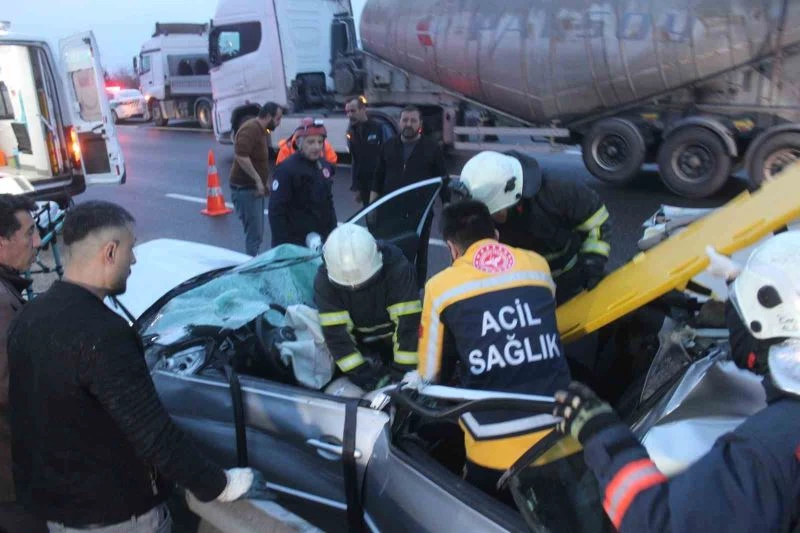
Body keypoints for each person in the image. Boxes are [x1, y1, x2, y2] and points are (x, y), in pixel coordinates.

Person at [7, 201, 268, 532]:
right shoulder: (103, 334)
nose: (134, 260)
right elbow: (153, 434)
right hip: (117, 516)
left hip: (58, 513)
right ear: (110, 252)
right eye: (131, 249)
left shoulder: (27, 318)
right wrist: (219, 484)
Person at [552, 231, 800, 533]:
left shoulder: (766, 450)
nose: (733, 322)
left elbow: (657, 523)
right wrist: (740, 280)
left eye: (740, 313)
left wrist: (601, 433)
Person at [417, 200, 571, 502]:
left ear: (451, 248)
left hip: (493, 451)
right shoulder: (538, 265)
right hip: (562, 431)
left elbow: (429, 374)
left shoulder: (440, 287)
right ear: (496, 235)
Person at [455, 150, 612, 304]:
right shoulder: (476, 215)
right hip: (519, 293)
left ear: (514, 198)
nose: (492, 220)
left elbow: (597, 221)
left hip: (571, 279)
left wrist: (592, 264)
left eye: (495, 212)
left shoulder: (557, 190)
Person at [314, 224, 421, 391]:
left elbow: (408, 326)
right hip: (361, 345)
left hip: (397, 339)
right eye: (348, 288)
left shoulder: (397, 269)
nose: (357, 289)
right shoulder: (325, 283)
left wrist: (402, 373)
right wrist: (360, 373)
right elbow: (336, 335)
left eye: (366, 283)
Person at [0, 195, 45, 533]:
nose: (38, 241)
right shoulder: (1, 304)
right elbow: (13, 389)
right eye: (30, 232)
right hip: (11, 479)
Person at [370, 106, 449, 285]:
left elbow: (443, 181)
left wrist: (447, 208)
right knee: (390, 249)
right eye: (405, 120)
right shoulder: (388, 146)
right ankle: (391, 285)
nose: (408, 124)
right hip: (390, 211)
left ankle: (418, 287)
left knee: (419, 253)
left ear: (420, 124)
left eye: (413, 121)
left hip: (420, 213)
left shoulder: (431, 148)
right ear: (399, 122)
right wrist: (372, 208)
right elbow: (377, 178)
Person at [269, 119, 337, 247]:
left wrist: (333, 233)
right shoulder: (287, 169)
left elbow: (328, 202)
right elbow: (276, 211)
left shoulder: (324, 166)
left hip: (322, 239)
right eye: (310, 142)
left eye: (320, 142)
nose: (316, 147)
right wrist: (282, 247)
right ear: (300, 143)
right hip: (296, 242)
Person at [229, 101, 284, 256]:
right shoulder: (251, 129)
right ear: (267, 116)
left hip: (253, 189)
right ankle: (251, 267)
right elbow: (241, 155)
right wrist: (257, 180)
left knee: (257, 233)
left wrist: (263, 181)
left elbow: (257, 159)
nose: (278, 123)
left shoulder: (262, 130)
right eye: (277, 119)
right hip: (245, 189)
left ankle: (253, 261)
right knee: (255, 234)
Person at [345, 96, 386, 208]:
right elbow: (355, 160)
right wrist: (356, 187)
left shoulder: (379, 128)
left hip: (381, 184)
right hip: (365, 187)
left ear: (363, 109)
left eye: (353, 111)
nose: (349, 115)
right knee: (370, 218)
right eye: (347, 112)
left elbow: (390, 155)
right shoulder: (351, 132)